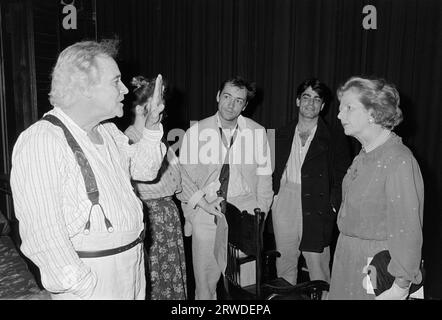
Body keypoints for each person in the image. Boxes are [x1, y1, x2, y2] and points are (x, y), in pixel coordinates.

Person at [9, 40, 166, 300]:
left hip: (132, 269)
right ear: (86, 88)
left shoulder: (108, 131)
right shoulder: (43, 140)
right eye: (116, 81)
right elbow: (44, 235)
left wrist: (152, 122)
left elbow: (146, 169)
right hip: (93, 285)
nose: (125, 90)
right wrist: (84, 288)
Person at [124, 76, 222, 300]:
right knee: (154, 283)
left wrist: (204, 204)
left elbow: (181, 178)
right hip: (150, 221)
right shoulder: (128, 140)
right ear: (140, 109)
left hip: (168, 219)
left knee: (170, 282)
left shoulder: (158, 140)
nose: (161, 111)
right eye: (155, 106)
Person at [328, 76, 424, 300]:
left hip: (376, 266)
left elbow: (407, 229)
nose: (340, 115)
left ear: (373, 112)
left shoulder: (399, 160)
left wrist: (400, 285)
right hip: (348, 259)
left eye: (349, 108)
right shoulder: (365, 154)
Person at [179, 76, 274, 300]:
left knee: (245, 286)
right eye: (227, 97)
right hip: (208, 210)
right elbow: (183, 179)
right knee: (205, 285)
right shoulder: (197, 132)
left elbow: (265, 178)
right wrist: (194, 213)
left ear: (245, 105)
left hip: (245, 211)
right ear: (217, 96)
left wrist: (259, 216)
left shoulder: (257, 132)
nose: (231, 104)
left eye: (238, 100)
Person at [272, 78, 351, 286]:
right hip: (285, 201)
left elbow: (343, 174)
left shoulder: (335, 137)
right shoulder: (280, 134)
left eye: (317, 99)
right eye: (306, 97)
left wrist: (333, 205)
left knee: (318, 268)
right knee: (285, 263)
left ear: (323, 106)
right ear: (298, 101)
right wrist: (274, 198)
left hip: (319, 203)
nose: (310, 103)